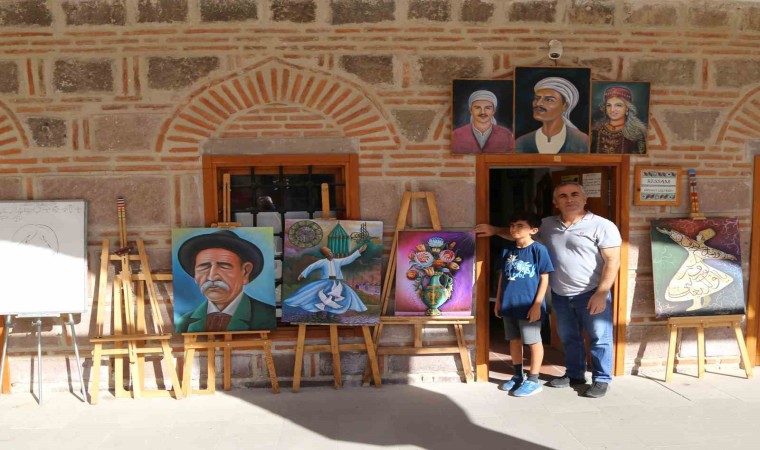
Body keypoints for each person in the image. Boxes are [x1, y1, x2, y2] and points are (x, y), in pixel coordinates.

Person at [474, 181, 621, 398]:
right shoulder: (548, 224)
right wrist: (495, 230)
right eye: (563, 196)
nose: (569, 199)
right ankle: (575, 374)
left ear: (584, 198)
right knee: (569, 337)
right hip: (561, 293)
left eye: (574, 194)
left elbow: (613, 261)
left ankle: (601, 379)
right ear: (555, 202)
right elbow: (521, 233)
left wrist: (602, 292)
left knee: (599, 337)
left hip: (592, 292)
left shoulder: (602, 226)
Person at [494, 212, 554, 397]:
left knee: (533, 341)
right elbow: (502, 277)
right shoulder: (507, 250)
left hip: (529, 305)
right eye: (512, 225)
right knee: (514, 340)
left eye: (520, 225)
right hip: (509, 303)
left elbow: (544, 277)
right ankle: (517, 375)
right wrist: (498, 300)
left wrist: (537, 304)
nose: (514, 229)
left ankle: (534, 380)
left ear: (533, 230)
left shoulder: (538, 250)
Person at [175, 230, 275, 333]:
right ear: (195, 275)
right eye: (204, 267)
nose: (212, 277)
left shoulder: (268, 317)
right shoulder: (185, 323)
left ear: (245, 272)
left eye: (224, 266)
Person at [283, 244, 369, 318]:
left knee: (336, 296)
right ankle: (319, 311)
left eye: (330, 252)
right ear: (325, 255)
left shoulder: (337, 261)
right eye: (328, 253)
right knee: (319, 295)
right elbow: (312, 267)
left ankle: (331, 313)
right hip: (325, 281)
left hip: (335, 282)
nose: (331, 254)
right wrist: (303, 274)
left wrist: (359, 251)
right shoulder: (322, 262)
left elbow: (348, 259)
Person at [514, 77, 588, 154]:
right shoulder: (522, 142)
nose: (538, 103)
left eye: (549, 100)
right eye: (537, 98)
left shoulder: (581, 140)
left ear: (565, 106)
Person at [452, 90, 514, 154]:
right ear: (470, 110)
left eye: (488, 108)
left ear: (494, 111)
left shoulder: (506, 135)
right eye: (477, 108)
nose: (483, 112)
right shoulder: (456, 135)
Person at [590, 86, 647, 154]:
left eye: (618, 105)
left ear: (627, 108)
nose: (612, 110)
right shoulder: (595, 131)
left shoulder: (637, 134)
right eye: (608, 105)